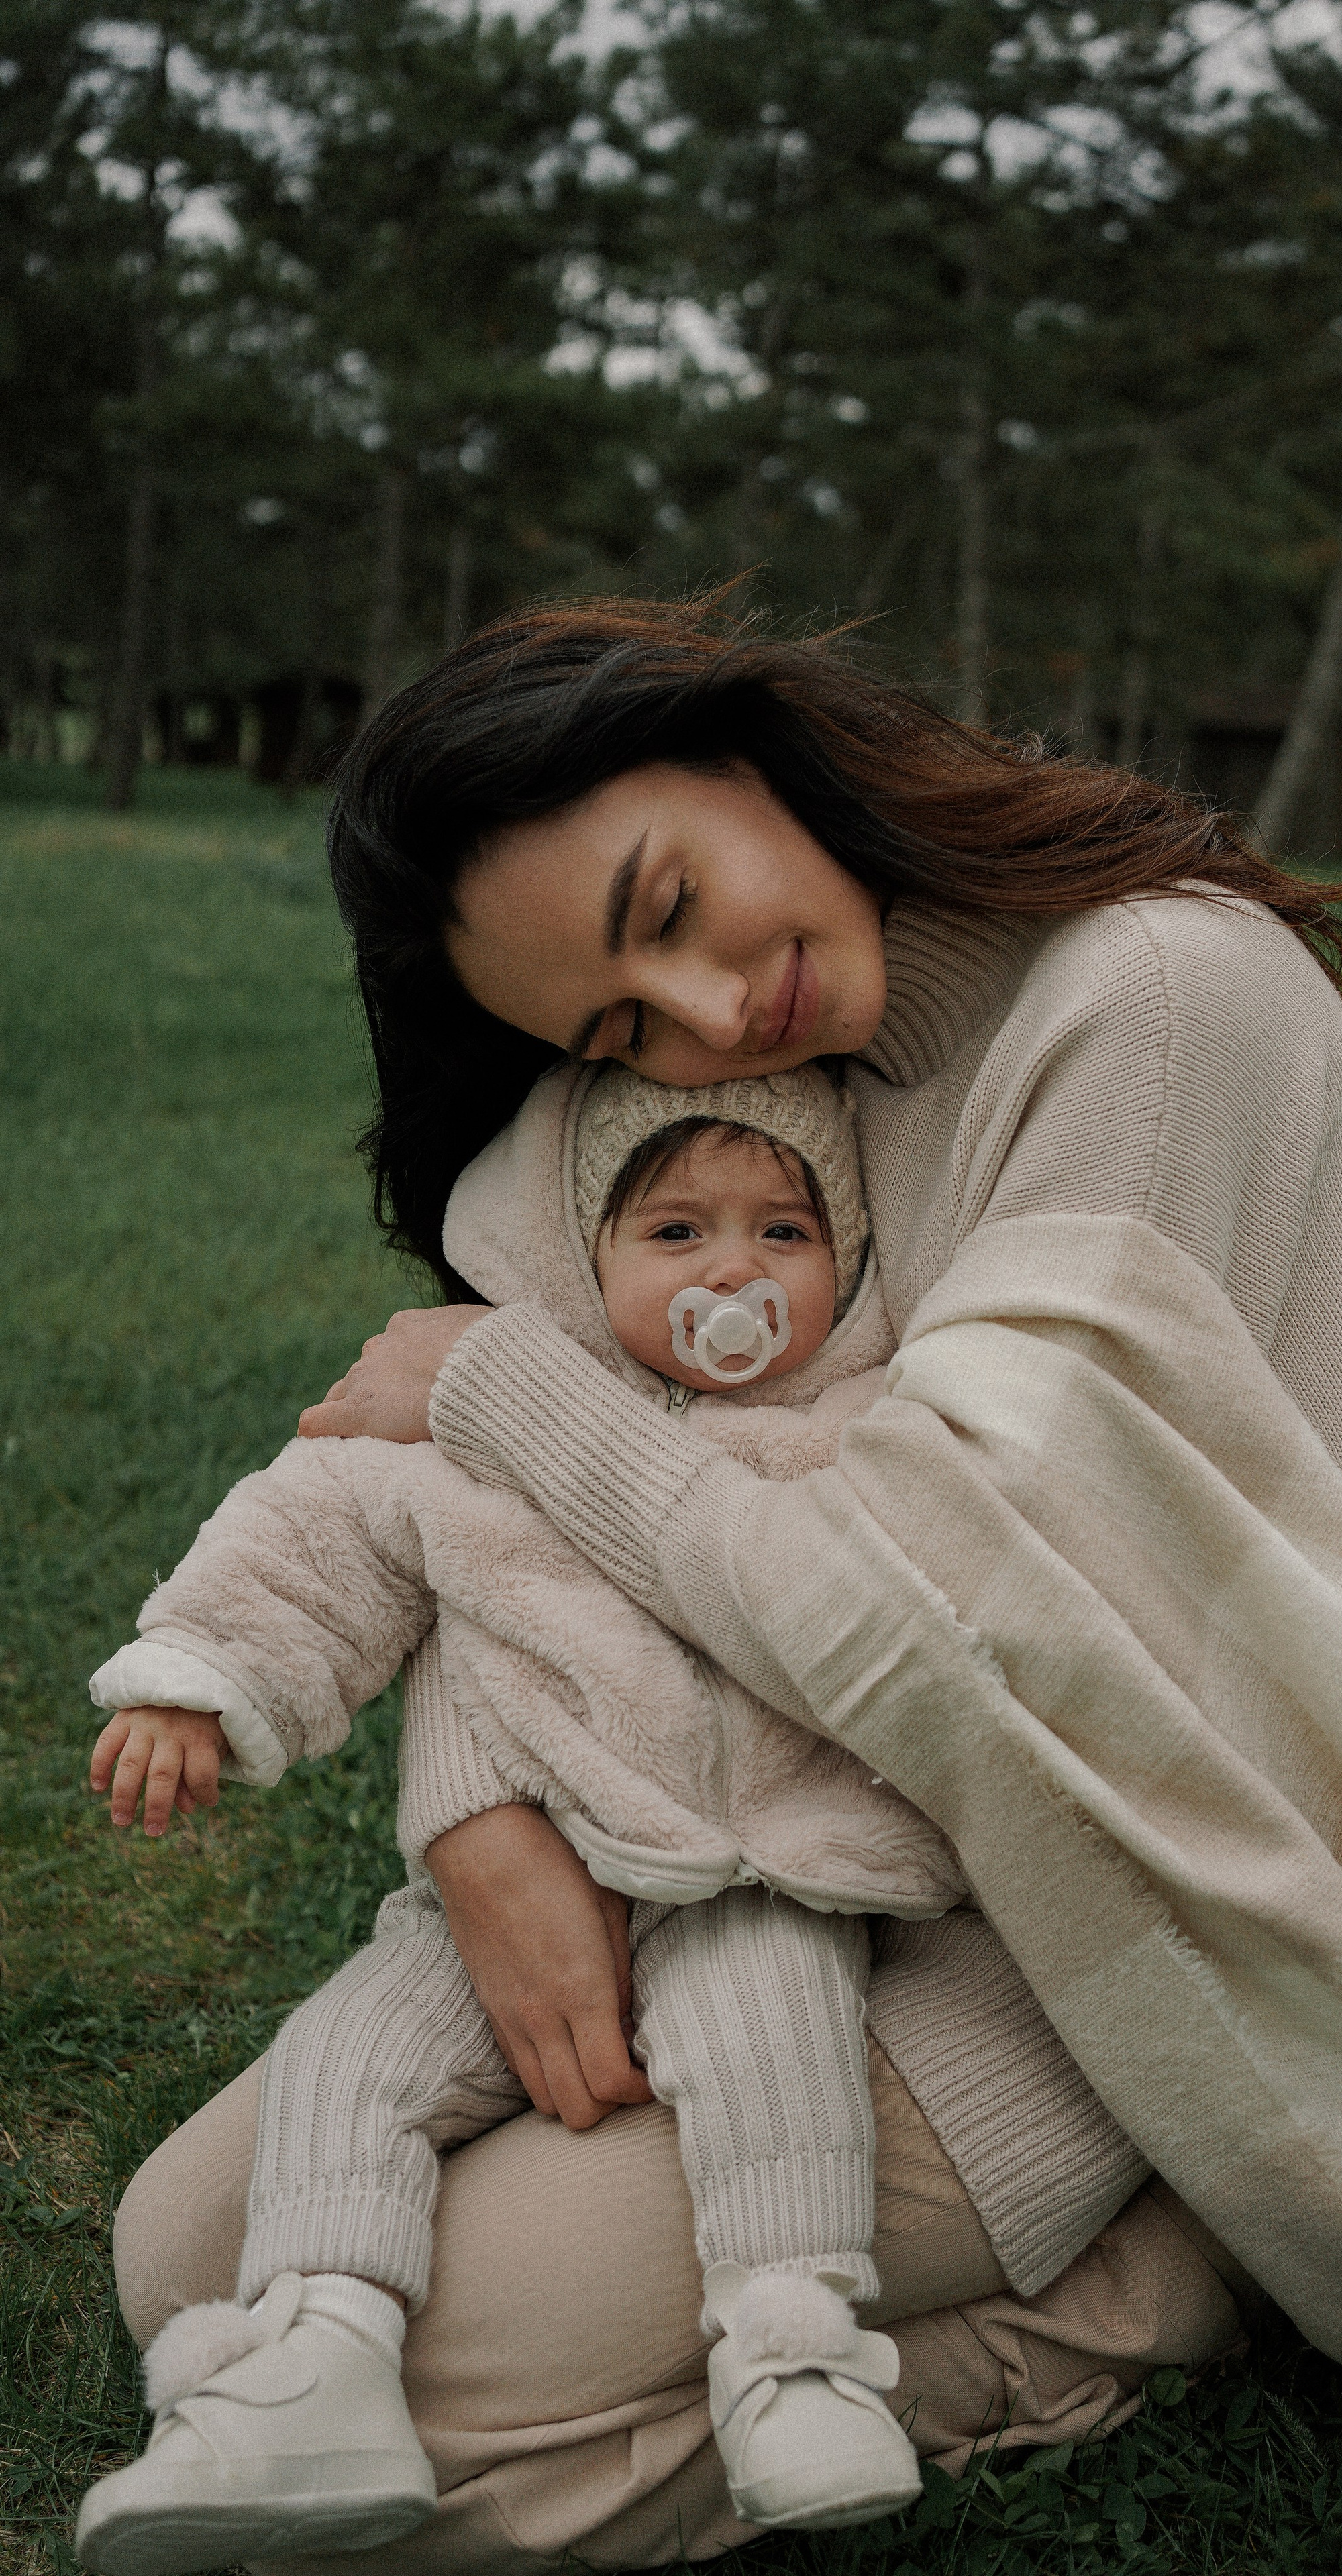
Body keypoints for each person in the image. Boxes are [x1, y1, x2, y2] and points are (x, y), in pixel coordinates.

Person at [107, 599, 1342, 2575]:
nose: (707, 1018)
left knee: (425, 2460)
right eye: (615, 1027)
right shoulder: (788, 1065)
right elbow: (481, 1529)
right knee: (191, 2276)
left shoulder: (1151, 1013)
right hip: (730, 1866)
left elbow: (948, 1628)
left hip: (1092, 1921)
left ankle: (1152, 2283)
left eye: (672, 900)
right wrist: (478, 1816)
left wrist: (513, 1390)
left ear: (751, 753)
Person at [83, 1061, 1095, 2571]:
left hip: (767, 1869)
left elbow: (933, 1602)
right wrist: (201, 1676)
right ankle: (321, 2351)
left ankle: (791, 2349)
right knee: (354, 2058)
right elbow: (317, 1527)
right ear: (589, 1255)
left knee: (773, 2041)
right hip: (525, 1871)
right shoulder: (476, 1426)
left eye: (782, 1234)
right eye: (676, 1234)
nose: (733, 1273)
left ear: (851, 1260)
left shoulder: (867, 1432)